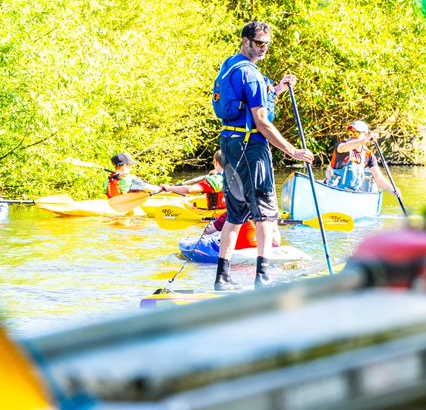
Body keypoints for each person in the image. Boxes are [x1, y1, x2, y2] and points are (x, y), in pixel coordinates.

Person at [212, 21, 314, 290]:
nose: (264, 48)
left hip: (230, 144)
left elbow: (248, 103)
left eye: (267, 44)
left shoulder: (229, 66)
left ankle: (221, 279)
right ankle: (263, 278)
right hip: (251, 148)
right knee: (266, 214)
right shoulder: (252, 75)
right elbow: (262, 122)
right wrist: (293, 151)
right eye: (259, 43)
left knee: (235, 214)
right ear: (245, 41)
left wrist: (278, 89)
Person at [325, 120, 400, 198]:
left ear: (365, 135)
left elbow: (378, 178)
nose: (352, 136)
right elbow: (344, 147)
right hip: (333, 192)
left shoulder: (368, 154)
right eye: (351, 133)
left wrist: (392, 190)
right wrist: (364, 140)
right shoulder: (341, 146)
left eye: (356, 133)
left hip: (352, 195)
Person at [160, 150, 226, 211]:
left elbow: (190, 190)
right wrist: (217, 174)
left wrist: (169, 188)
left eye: (213, 162)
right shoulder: (233, 175)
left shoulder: (215, 180)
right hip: (227, 212)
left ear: (216, 163)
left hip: (217, 215)